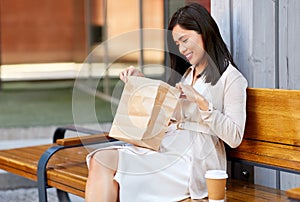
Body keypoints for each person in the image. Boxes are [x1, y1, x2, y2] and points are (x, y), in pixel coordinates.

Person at [85, 3, 247, 202]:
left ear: (204, 32)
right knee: (99, 159)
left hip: (194, 160)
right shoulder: (188, 73)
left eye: (185, 40)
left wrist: (202, 103)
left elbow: (235, 136)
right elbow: (168, 113)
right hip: (168, 147)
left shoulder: (231, 78)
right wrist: (141, 82)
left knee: (112, 173)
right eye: (177, 44)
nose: (182, 49)